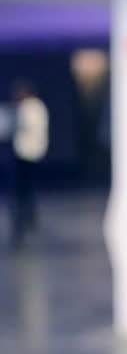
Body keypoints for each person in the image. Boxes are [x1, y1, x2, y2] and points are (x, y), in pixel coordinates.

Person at [9, 79, 49, 246]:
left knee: (23, 188)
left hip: (27, 152)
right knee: (27, 188)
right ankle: (29, 215)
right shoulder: (38, 106)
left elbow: (21, 125)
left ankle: (25, 215)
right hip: (34, 151)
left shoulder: (28, 107)